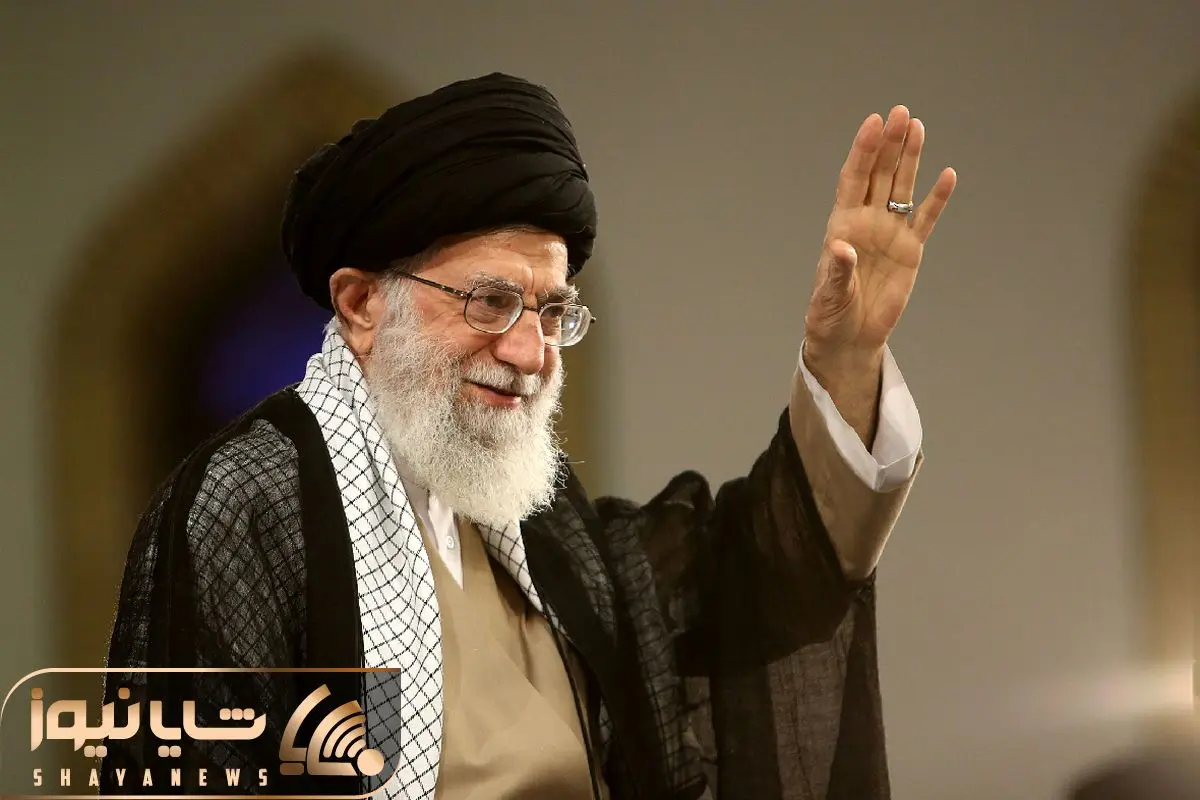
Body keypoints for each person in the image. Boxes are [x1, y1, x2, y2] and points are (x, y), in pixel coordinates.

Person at [101, 73, 956, 800]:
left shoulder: (544, 526)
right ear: (361, 304)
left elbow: (752, 581)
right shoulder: (252, 504)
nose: (529, 352)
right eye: (490, 302)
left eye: (550, 312)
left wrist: (845, 359)